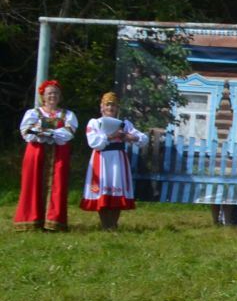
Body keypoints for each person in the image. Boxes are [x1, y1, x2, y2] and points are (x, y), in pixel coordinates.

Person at [15, 80, 77, 232]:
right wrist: (40, 133)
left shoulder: (67, 114)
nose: (52, 96)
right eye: (49, 93)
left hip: (58, 154)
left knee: (58, 185)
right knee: (32, 183)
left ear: (60, 96)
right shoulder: (33, 113)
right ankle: (31, 221)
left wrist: (50, 133)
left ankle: (53, 222)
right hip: (36, 152)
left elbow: (68, 133)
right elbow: (26, 132)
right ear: (43, 96)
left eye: (55, 93)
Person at [82, 92, 146, 231]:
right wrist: (112, 136)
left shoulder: (124, 124)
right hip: (102, 158)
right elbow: (93, 142)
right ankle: (105, 225)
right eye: (107, 104)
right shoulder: (95, 123)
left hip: (118, 159)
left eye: (113, 105)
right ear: (102, 107)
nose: (110, 108)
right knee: (103, 191)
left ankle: (113, 225)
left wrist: (130, 137)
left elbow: (143, 138)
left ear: (117, 108)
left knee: (116, 191)